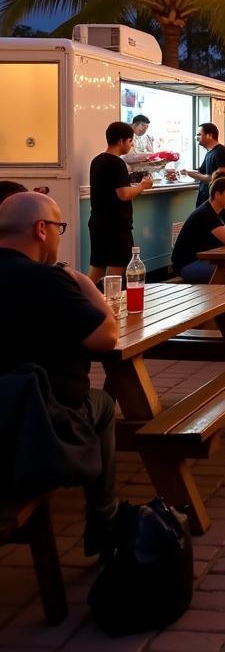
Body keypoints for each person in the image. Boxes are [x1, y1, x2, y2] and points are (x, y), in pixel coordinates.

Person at [0, 191, 121, 555]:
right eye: (59, 228)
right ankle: (104, 520)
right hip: (38, 423)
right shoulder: (48, 281)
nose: (58, 235)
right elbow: (107, 337)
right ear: (41, 229)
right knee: (101, 403)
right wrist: (83, 283)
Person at [87, 121, 153, 283]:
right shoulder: (117, 163)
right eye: (130, 141)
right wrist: (142, 186)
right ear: (121, 141)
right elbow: (123, 194)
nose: (131, 145)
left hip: (97, 222)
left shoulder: (97, 161)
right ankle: (109, 303)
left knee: (97, 267)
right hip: (115, 225)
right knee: (116, 269)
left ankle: (81, 297)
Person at [171, 176, 225, 282]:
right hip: (188, 264)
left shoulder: (223, 212)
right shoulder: (206, 212)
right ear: (217, 194)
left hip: (207, 260)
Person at [185, 122, 225, 207]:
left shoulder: (221, 152)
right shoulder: (210, 153)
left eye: (199, 135)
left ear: (209, 135)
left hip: (215, 204)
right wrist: (186, 172)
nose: (196, 138)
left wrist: (192, 175)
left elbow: (221, 179)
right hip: (206, 201)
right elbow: (203, 173)